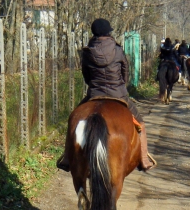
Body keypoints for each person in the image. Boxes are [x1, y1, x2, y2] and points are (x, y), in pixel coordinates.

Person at [57, 18, 156, 171]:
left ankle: (67, 159)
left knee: (73, 119)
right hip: (118, 94)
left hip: (94, 93)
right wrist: (120, 85)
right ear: (109, 32)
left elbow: (86, 76)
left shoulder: (88, 52)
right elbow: (125, 73)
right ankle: (144, 159)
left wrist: (95, 85)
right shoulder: (117, 50)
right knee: (140, 124)